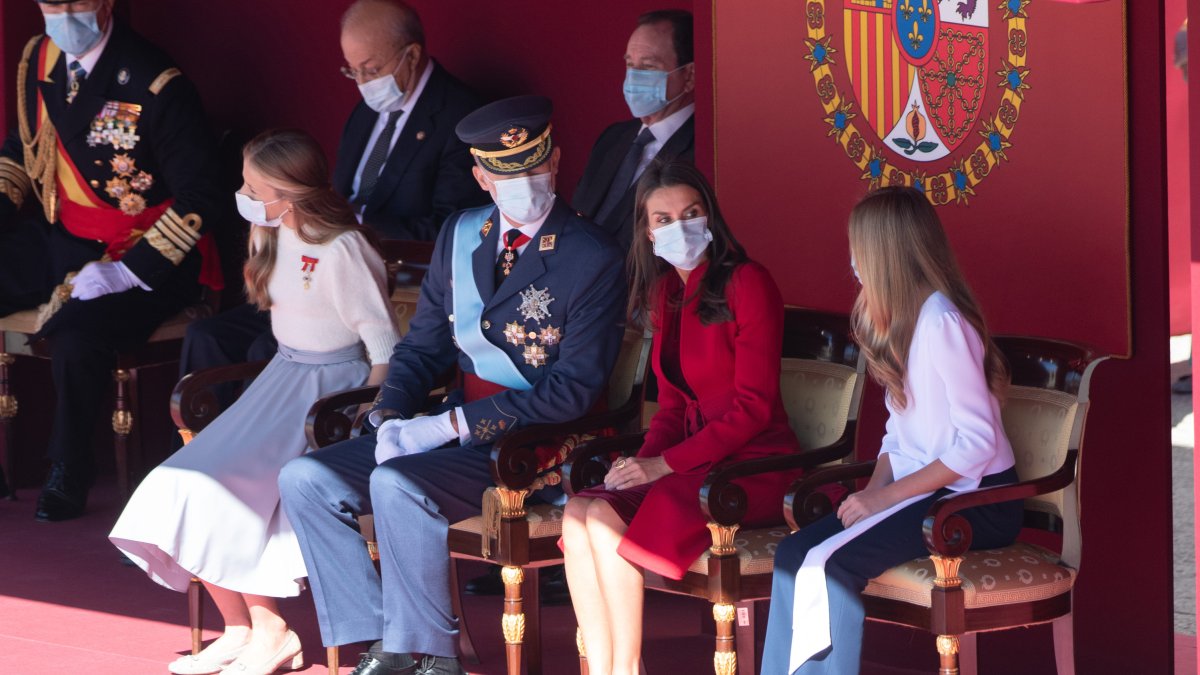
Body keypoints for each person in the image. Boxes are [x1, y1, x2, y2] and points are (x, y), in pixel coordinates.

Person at [277, 95, 625, 675]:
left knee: (397, 484)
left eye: (534, 168)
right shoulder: (461, 234)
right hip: (454, 431)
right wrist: (390, 415)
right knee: (306, 478)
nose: (523, 184)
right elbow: (423, 347)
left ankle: (437, 659)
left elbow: (572, 391)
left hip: (539, 442)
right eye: (505, 174)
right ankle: (385, 641)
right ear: (481, 176)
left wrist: (448, 425)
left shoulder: (591, 254)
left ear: (556, 161)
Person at [109, 128, 400, 675]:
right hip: (281, 377)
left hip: (329, 393)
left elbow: (384, 347)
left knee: (224, 488)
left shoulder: (343, 248)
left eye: (253, 188)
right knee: (180, 478)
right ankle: (239, 629)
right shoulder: (269, 232)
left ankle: (273, 633)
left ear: (290, 193)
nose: (242, 196)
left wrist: (366, 412)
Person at [760, 186, 1023, 675]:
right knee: (795, 552)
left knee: (833, 566)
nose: (852, 261)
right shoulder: (901, 321)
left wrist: (884, 499)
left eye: (857, 248)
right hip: (924, 492)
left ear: (884, 254)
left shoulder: (942, 323)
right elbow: (898, 436)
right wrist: (872, 494)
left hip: (976, 502)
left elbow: (977, 443)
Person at [176, 0, 484, 413]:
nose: (362, 82)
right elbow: (334, 189)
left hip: (392, 281)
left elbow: (452, 228)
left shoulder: (459, 115)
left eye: (371, 69)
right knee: (207, 337)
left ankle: (266, 446)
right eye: (352, 71)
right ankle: (198, 440)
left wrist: (351, 223)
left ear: (411, 55)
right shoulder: (367, 111)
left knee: (265, 347)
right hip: (315, 269)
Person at [562, 160, 799, 675]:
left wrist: (662, 466)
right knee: (579, 511)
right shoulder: (664, 291)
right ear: (648, 232)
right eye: (664, 219)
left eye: (690, 213)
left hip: (751, 464)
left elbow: (753, 409)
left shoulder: (748, 282)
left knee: (603, 519)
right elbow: (671, 408)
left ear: (709, 216)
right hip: (689, 460)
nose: (680, 227)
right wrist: (640, 465)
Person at [0, 0, 223, 521]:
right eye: (53, 3)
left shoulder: (154, 80)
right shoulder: (39, 57)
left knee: (78, 334)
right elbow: (21, 146)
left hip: (147, 249)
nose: (64, 15)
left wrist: (128, 271)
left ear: (105, 2)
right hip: (67, 232)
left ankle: (69, 467)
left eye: (77, 2)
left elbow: (203, 195)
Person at [572, 9, 696, 251]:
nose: (634, 77)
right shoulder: (612, 138)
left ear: (689, 75)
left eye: (648, 67)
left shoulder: (703, 150)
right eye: (630, 64)